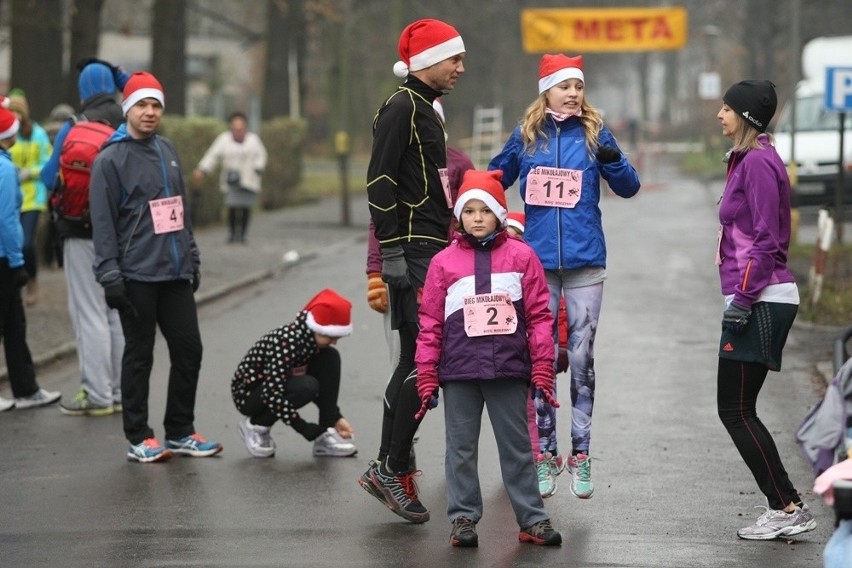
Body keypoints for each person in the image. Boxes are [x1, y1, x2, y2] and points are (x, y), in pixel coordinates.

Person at [489, 54, 640, 499]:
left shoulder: (596, 135)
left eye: (578, 86)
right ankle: (545, 456)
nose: (573, 93)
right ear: (547, 90)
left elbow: (630, 186)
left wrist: (613, 159)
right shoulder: (527, 136)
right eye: (564, 86)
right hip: (536, 266)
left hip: (585, 263)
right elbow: (495, 180)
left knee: (581, 360)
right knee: (540, 360)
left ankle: (582, 455)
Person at [415, 169, 562, 547]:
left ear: (499, 213)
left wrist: (543, 365)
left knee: (516, 448)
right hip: (459, 371)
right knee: (460, 449)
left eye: (485, 210)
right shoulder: (443, 264)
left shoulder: (522, 257)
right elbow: (430, 321)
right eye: (469, 211)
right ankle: (463, 518)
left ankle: (532, 519)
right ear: (459, 216)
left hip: (508, 369)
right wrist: (427, 372)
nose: (477, 218)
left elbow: (540, 316)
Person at [357, 18, 466, 523]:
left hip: (433, 247)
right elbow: (379, 180)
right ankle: (390, 466)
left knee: (413, 362)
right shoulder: (401, 106)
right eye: (453, 59)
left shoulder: (428, 108)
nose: (460, 68)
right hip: (414, 252)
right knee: (426, 363)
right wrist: (393, 253)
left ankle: (391, 469)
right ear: (426, 61)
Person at [89, 72, 222, 463]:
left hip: (175, 272)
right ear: (128, 108)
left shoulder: (167, 149)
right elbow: (103, 224)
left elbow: (180, 212)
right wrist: (110, 275)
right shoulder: (110, 159)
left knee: (189, 350)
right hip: (135, 277)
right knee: (140, 355)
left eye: (156, 105)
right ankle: (138, 436)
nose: (150, 112)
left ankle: (180, 430)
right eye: (142, 105)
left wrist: (192, 256)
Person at [714, 79, 816, 540]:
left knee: (735, 409)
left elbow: (767, 241)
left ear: (747, 118)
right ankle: (786, 505)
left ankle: (787, 506)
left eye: (728, 108)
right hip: (760, 296)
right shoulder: (752, 158)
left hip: (761, 297)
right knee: (738, 408)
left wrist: (742, 298)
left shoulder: (756, 162)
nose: (720, 114)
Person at [39, 59, 130, 416]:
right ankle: (122, 391)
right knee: (116, 312)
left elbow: (49, 178)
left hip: (80, 233)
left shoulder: (75, 126)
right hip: (123, 234)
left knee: (89, 313)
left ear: (83, 91)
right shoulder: (129, 123)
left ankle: (97, 395)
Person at [231, 288, 357, 458]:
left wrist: (335, 417)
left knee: (331, 357)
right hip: (249, 393)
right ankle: (256, 426)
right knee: (307, 387)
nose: (334, 341)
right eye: (330, 336)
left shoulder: (310, 343)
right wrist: (304, 428)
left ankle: (326, 434)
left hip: (277, 385)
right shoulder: (287, 342)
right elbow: (271, 392)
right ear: (317, 329)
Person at [0, 97, 61, 412]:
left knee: (14, 323)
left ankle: (26, 389)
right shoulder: (5, 168)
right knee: (9, 323)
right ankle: (25, 389)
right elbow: (7, 221)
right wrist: (18, 261)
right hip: (3, 259)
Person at [505, 211, 569, 498]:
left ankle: (543, 454)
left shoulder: (539, 273)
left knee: (540, 406)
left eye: (518, 235)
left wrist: (563, 346)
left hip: (542, 352)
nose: (513, 240)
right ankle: (535, 455)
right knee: (521, 410)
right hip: (513, 354)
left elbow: (558, 312)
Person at [192, 111, 268, 244]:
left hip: (249, 179)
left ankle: (243, 234)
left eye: (241, 128)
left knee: (245, 207)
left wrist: (258, 167)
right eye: (235, 128)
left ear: (246, 128)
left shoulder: (253, 140)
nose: (238, 131)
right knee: (232, 206)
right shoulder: (223, 139)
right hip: (231, 180)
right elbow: (213, 155)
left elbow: (261, 155)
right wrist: (202, 169)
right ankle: (232, 234)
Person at [7, 90, 52, 306]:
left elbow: (48, 162)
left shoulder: (38, 134)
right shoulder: (5, 133)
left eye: (18, 111)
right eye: (11, 111)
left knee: (26, 244)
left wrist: (29, 172)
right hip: (9, 198)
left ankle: (32, 280)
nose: (15, 115)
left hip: (32, 198)